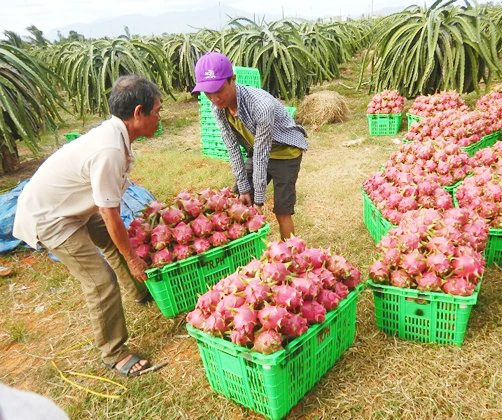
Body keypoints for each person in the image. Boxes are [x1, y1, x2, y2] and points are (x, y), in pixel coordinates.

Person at [13, 75, 161, 377]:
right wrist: (133, 258)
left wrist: (127, 248)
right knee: (100, 280)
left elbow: (111, 209)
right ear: (137, 113)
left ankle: (140, 293)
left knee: (114, 239)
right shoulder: (108, 150)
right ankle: (115, 354)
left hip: (72, 204)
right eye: (157, 110)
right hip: (51, 217)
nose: (160, 116)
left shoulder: (116, 136)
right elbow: (109, 213)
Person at [192, 52, 308, 240]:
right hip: (258, 149)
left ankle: (291, 255)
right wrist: (245, 189)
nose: (214, 98)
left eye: (218, 89)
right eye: (207, 92)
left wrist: (259, 199)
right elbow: (232, 147)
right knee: (238, 198)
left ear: (233, 80)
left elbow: (262, 155)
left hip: (285, 152)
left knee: (282, 210)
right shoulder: (218, 107)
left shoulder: (261, 106)